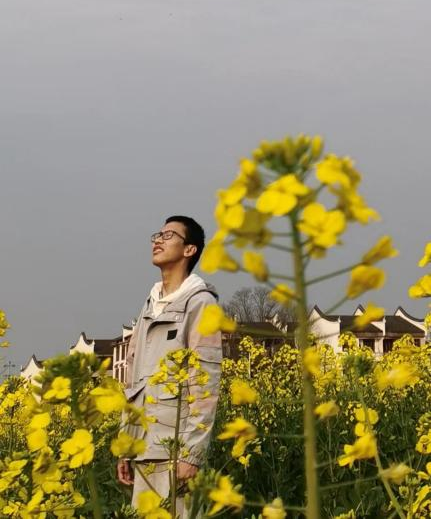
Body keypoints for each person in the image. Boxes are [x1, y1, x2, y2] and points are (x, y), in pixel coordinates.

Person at [117, 216, 222, 516]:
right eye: (157, 235)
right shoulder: (150, 305)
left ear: (189, 249)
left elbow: (205, 383)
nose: (157, 240)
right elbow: (133, 382)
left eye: (168, 235)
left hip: (176, 451)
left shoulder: (200, 303)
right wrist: (126, 444)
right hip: (144, 448)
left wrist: (192, 455)